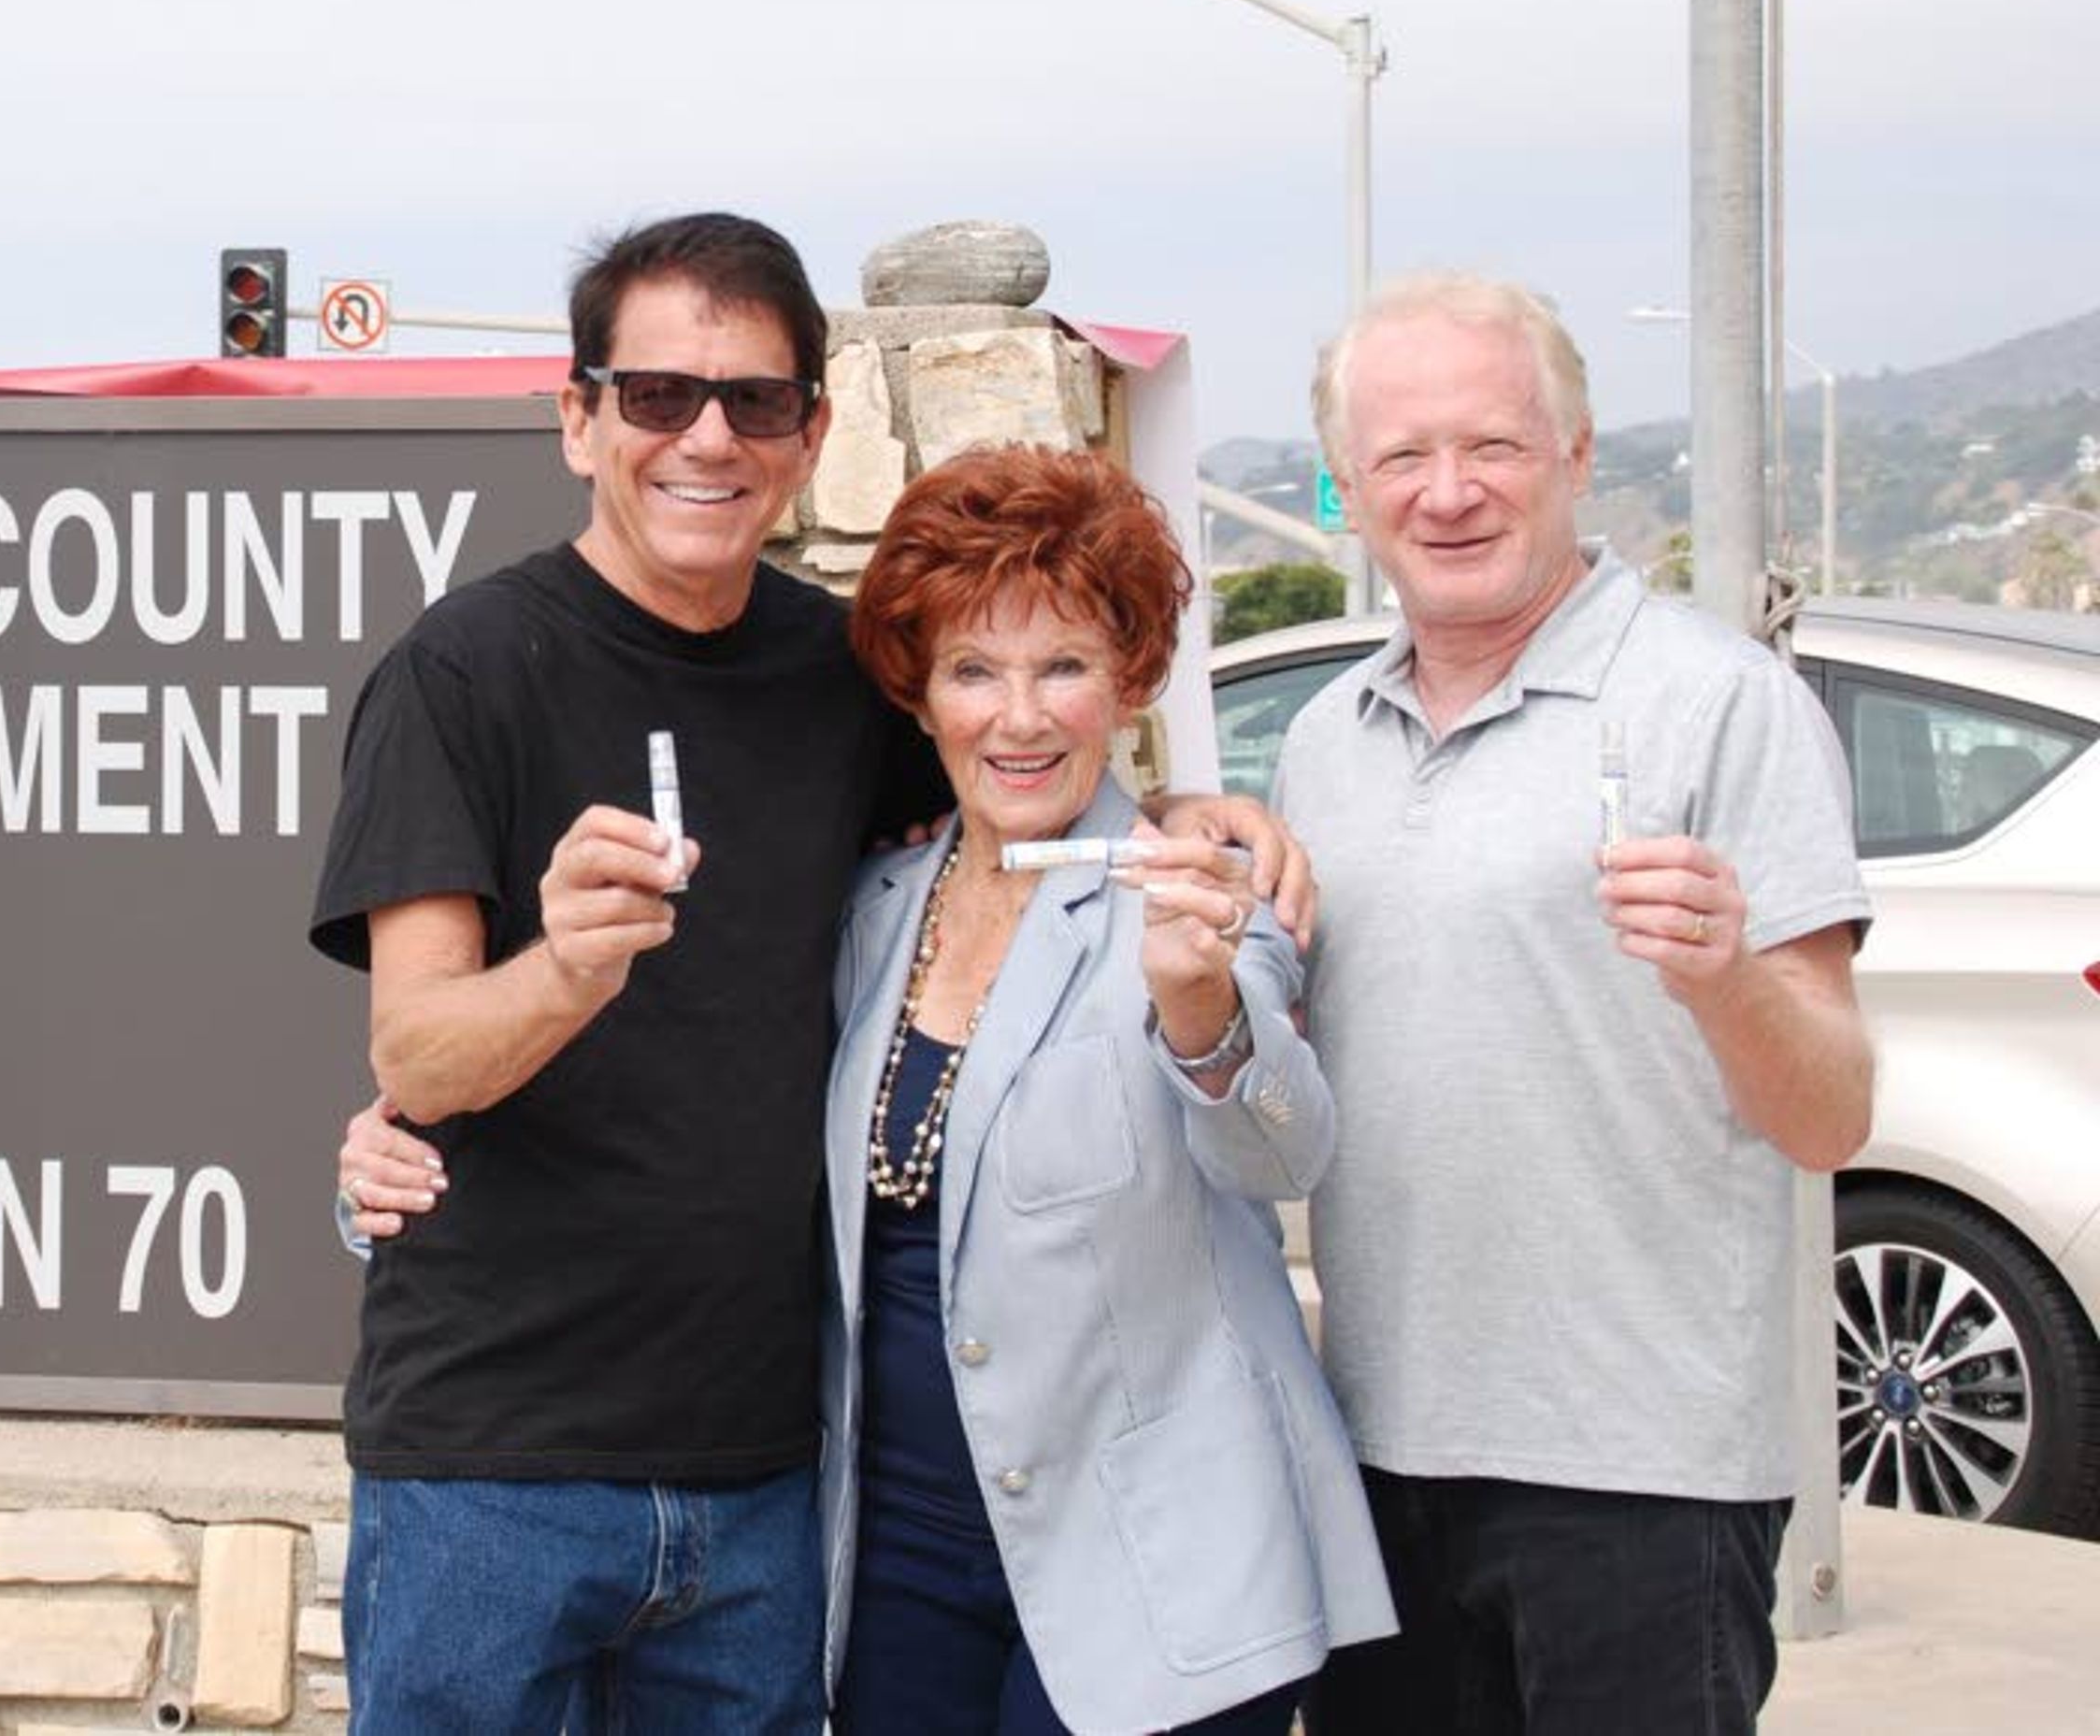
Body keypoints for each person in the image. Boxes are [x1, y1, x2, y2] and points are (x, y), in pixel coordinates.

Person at [309, 211, 1298, 1734]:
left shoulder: (847, 682)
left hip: (773, 1482)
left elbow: (1017, 784)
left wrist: (1179, 820)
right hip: (493, 1469)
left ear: (810, 433)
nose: (705, 436)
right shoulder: (463, 671)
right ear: (578, 419)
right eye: (655, 395)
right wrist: (565, 970)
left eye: (754, 401)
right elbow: (422, 1056)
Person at [1288, 273, 1872, 1736]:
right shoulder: (1319, 739)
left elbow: (1832, 1112)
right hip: (1375, 1456)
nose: (1449, 492)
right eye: (1401, 458)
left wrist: (1725, 972)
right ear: (1348, 488)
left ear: (1579, 455)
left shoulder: (1720, 704)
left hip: (1644, 1472)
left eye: (1492, 444)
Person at [814, 442, 1392, 1734]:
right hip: (901, 1558)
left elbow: (1282, 1151)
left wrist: (1201, 1008)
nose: (1018, 717)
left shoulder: (1193, 885)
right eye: (974, 669)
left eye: (1063, 666)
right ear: (920, 694)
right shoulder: (870, 911)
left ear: (1129, 681)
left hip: (1164, 1564)